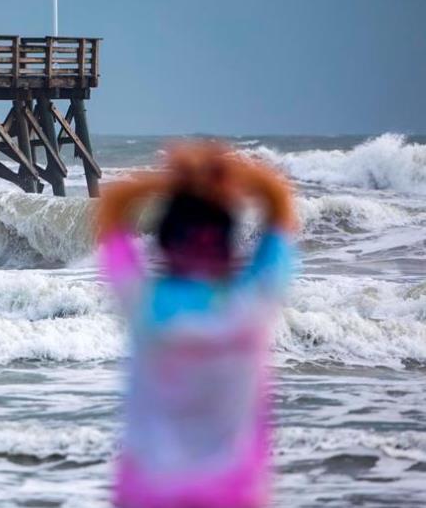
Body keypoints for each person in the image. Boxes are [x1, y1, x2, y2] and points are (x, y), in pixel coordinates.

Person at [98, 142, 297, 508]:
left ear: (161, 248)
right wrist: (223, 171)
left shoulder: (146, 304)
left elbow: (111, 206)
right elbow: (280, 203)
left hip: (149, 493)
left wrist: (174, 180)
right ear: (231, 250)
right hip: (233, 494)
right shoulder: (252, 305)